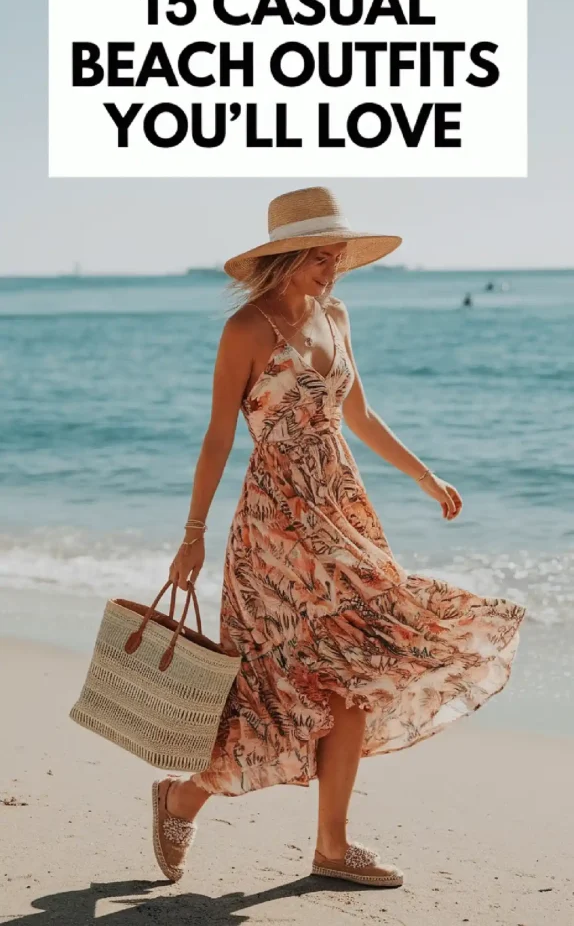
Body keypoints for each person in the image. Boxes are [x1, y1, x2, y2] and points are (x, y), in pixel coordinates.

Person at [152, 187, 526, 887]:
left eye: (338, 258)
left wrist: (423, 475)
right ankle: (181, 797)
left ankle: (331, 846)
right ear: (288, 256)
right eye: (322, 258)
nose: (333, 270)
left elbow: (359, 411)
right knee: (271, 690)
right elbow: (216, 439)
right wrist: (193, 534)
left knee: (356, 668)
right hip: (275, 526)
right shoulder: (246, 330)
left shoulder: (337, 314)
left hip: (341, 511)